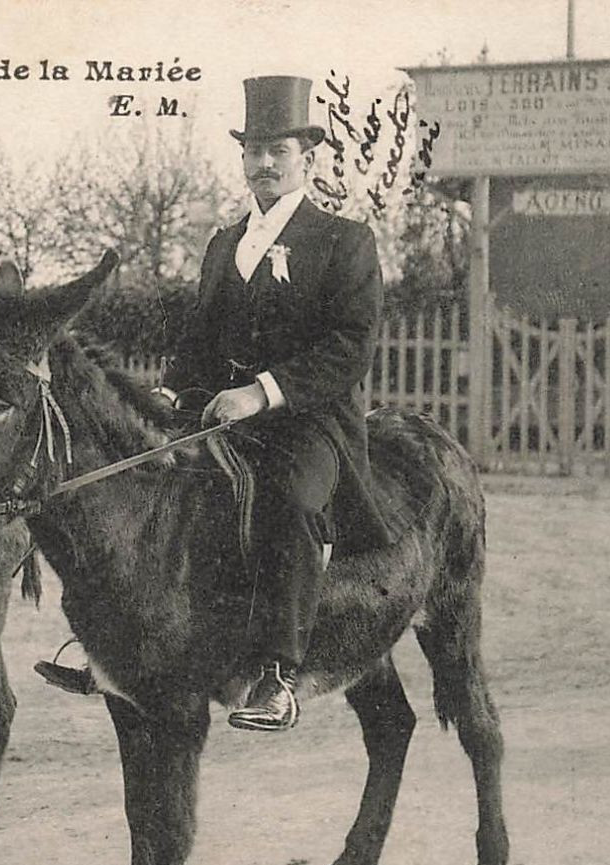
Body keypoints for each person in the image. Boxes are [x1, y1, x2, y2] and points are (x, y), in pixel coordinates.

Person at [159, 75, 392, 732]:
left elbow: (349, 347)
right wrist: (169, 390)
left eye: (278, 151)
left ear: (307, 161)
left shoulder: (344, 242)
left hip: (310, 420)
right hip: (221, 411)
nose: (263, 163)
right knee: (154, 477)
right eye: (253, 151)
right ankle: (143, 640)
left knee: (288, 498)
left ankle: (274, 674)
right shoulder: (223, 244)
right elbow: (197, 339)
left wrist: (261, 391)